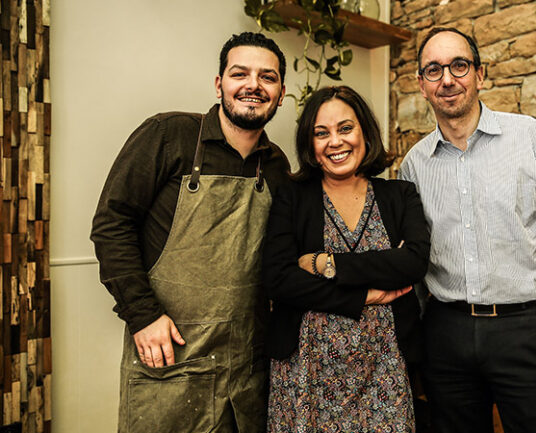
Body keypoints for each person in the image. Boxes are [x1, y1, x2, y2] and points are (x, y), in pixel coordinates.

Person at [398, 27, 536, 433]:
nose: (448, 79)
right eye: (433, 70)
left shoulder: (531, 139)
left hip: (525, 331)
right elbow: (413, 261)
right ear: (421, 85)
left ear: (480, 74)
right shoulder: (414, 165)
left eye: (459, 65)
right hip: (446, 336)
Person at [90, 32, 290, 433]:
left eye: (267, 77)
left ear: (281, 94)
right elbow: (112, 224)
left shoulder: (276, 166)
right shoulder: (168, 135)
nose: (253, 85)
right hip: (172, 355)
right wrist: (143, 316)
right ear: (219, 85)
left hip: (246, 364)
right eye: (240, 74)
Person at [263, 85, 430, 433]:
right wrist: (363, 295)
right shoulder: (292, 198)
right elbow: (279, 280)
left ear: (365, 132)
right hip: (305, 376)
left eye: (345, 128)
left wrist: (326, 264)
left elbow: (413, 262)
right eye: (321, 133)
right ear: (310, 145)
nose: (335, 141)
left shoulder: (400, 195)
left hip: (385, 373)